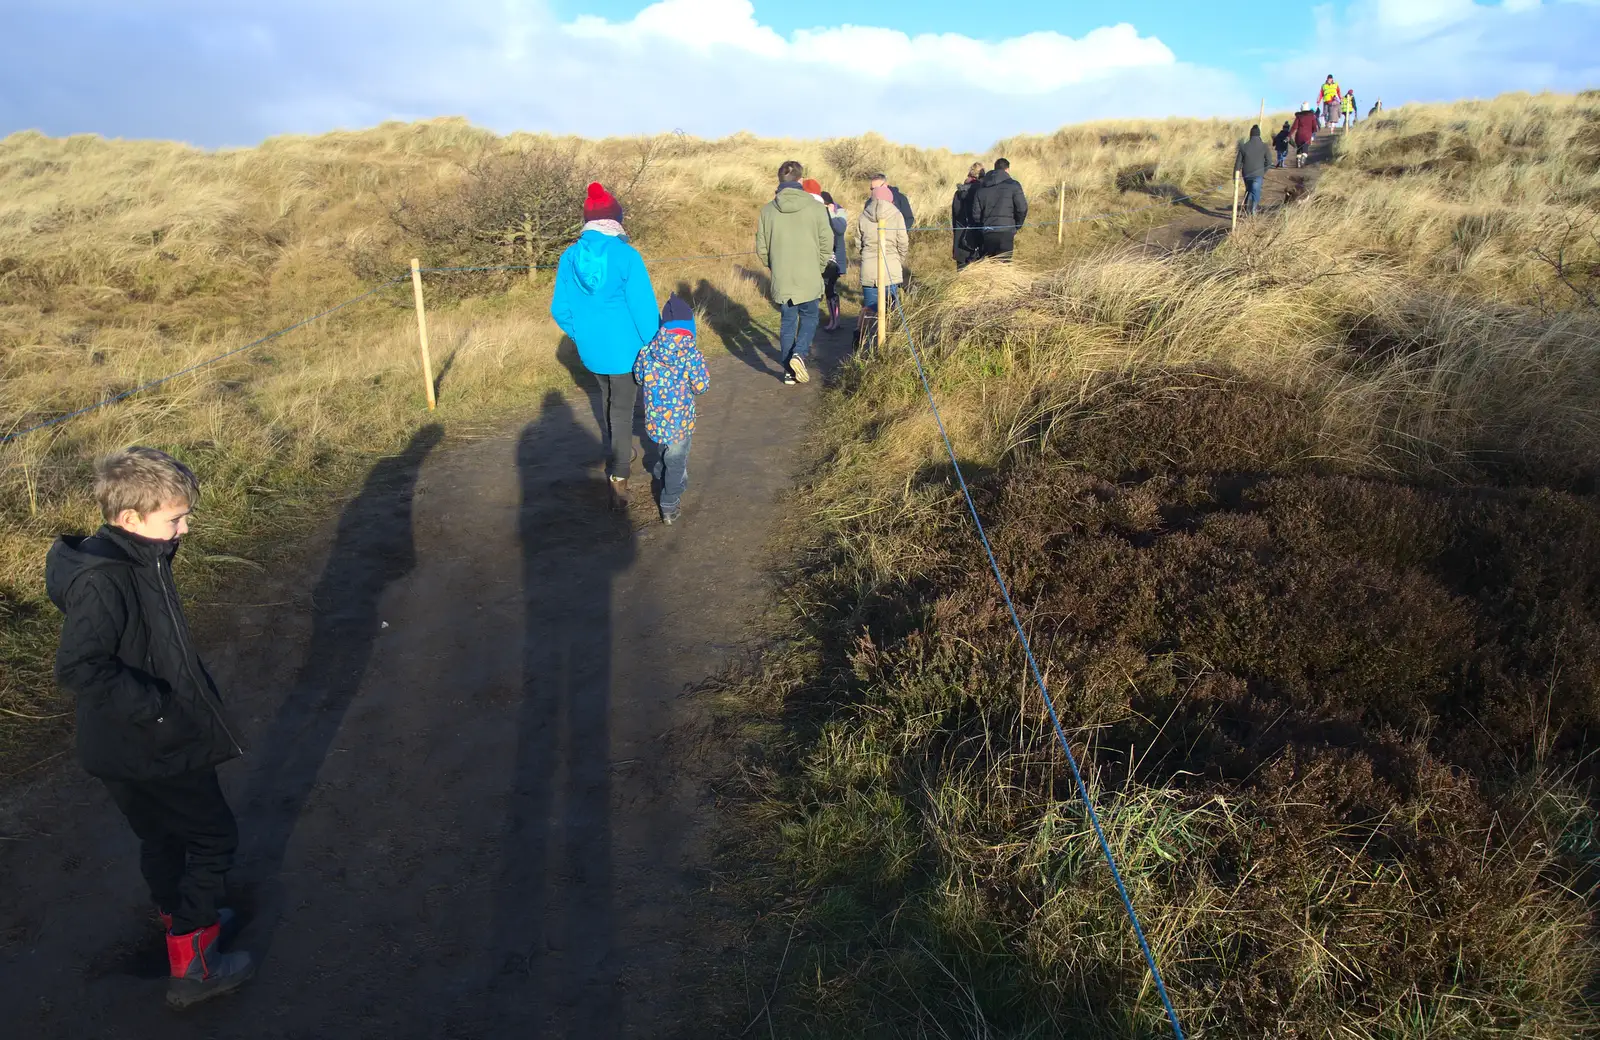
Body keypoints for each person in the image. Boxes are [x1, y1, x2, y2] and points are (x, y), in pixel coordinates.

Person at [45, 447, 253, 1009]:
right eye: (175, 519)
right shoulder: (106, 579)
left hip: (124, 747)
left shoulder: (136, 554)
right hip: (155, 742)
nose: (185, 529)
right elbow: (80, 666)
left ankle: (180, 917)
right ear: (130, 518)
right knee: (213, 840)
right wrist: (159, 709)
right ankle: (195, 963)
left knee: (160, 837)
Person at [550, 182, 659, 508]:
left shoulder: (568, 257)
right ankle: (619, 475)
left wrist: (580, 333)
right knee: (623, 410)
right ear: (615, 219)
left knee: (610, 403)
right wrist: (650, 343)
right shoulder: (626, 255)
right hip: (627, 349)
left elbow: (560, 309)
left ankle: (619, 452)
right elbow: (644, 309)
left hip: (592, 350)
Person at [633, 293, 709, 526]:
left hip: (656, 421)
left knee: (666, 454)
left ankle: (662, 474)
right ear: (690, 327)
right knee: (677, 463)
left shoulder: (647, 352)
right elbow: (701, 386)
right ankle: (669, 504)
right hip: (680, 424)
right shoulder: (691, 355)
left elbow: (638, 377)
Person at [755, 160, 833, 385]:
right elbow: (826, 242)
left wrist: (774, 266)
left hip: (783, 277)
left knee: (788, 322)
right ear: (800, 181)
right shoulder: (817, 208)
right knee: (810, 317)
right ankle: (799, 354)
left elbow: (762, 246)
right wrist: (818, 267)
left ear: (780, 181)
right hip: (809, 274)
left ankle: (789, 371)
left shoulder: (767, 210)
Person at [857, 183, 910, 320]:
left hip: (869, 268)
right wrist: (899, 260)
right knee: (890, 312)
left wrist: (865, 256)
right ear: (891, 200)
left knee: (870, 310)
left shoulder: (863, 216)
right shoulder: (897, 215)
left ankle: (866, 338)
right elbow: (903, 242)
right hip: (890, 267)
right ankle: (888, 340)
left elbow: (858, 242)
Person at [806, 179, 848, 332]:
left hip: (834, 259)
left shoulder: (839, 213)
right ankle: (832, 319)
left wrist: (830, 212)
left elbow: (839, 230)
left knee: (830, 289)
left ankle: (835, 320)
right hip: (821, 258)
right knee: (824, 290)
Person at [970, 157, 1028, 261]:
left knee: (991, 267)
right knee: (1004, 266)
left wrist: (983, 226)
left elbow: (976, 214)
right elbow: (1022, 208)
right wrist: (1017, 225)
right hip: (1006, 231)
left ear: (995, 169)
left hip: (988, 232)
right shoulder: (1014, 185)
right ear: (1007, 170)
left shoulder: (982, 188)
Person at [951, 162, 985, 270]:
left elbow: (955, 215)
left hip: (961, 237)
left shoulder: (959, 192)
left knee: (962, 277)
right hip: (978, 239)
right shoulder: (983, 191)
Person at [1235, 125, 1271, 217]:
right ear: (1259, 135)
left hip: (1246, 174)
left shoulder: (1244, 146)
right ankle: (1253, 210)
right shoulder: (1264, 146)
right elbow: (1269, 161)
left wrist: (1235, 176)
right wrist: (1263, 171)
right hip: (1258, 174)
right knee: (1255, 192)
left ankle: (1248, 210)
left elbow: (1238, 163)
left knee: (1249, 190)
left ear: (1250, 135)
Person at [1292, 104, 1319, 168]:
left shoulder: (1299, 116)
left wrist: (1289, 135)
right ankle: (1303, 160)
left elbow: (1294, 127)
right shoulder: (1312, 116)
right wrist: (1312, 133)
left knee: (1299, 149)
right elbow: (1315, 127)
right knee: (1305, 149)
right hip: (1307, 136)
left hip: (1299, 136)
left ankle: (1298, 162)